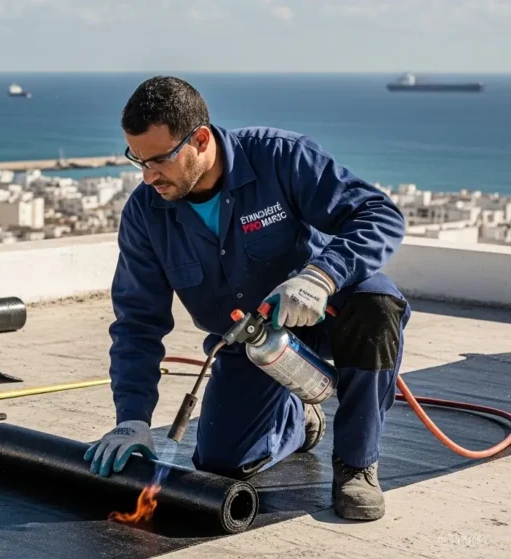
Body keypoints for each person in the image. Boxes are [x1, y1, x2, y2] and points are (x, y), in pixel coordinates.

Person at [83, 76, 410, 521]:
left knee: (377, 302)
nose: (147, 176)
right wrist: (133, 417)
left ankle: (356, 463)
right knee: (221, 463)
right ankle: (297, 420)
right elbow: (137, 322)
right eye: (137, 160)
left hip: (328, 317)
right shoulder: (146, 213)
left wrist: (321, 276)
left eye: (159, 160)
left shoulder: (280, 158)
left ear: (200, 139)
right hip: (249, 344)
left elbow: (379, 215)